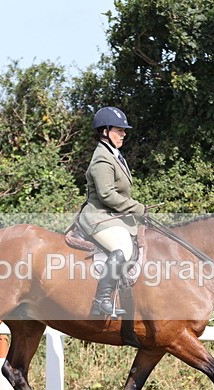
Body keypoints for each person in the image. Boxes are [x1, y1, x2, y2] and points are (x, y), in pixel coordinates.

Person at [77, 106, 146, 316]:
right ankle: (102, 300)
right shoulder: (102, 159)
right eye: (119, 130)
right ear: (104, 131)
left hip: (113, 217)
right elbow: (107, 195)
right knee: (123, 247)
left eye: (124, 130)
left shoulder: (114, 155)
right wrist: (137, 208)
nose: (124, 134)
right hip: (99, 217)